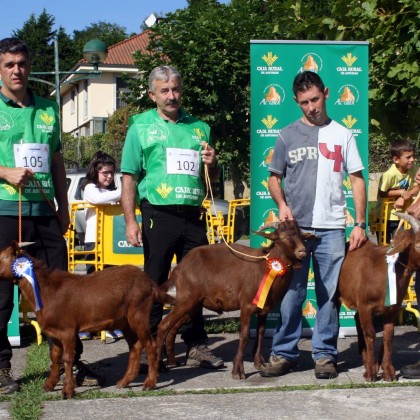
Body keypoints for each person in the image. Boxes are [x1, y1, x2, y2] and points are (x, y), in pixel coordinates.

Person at [0, 37, 97, 392]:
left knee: (62, 289)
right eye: (9, 64)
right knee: (0, 294)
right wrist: (4, 171)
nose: (17, 70)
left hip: (45, 213)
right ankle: (1, 367)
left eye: (22, 63)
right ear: (0, 67)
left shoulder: (48, 108)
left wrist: (64, 207)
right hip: (5, 211)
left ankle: (72, 359)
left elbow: (56, 161)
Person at [260, 71, 367, 379]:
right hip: (294, 233)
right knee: (291, 294)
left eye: (316, 99)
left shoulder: (343, 134)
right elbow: (273, 177)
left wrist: (359, 223)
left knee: (328, 295)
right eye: (304, 102)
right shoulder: (285, 135)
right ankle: (284, 353)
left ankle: (324, 356)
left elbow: (357, 179)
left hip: (333, 228)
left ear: (327, 94)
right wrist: (281, 205)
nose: (311, 107)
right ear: (296, 101)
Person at [121, 65, 224, 369]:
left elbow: (211, 176)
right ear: (152, 94)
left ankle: (196, 345)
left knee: (196, 283)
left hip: (193, 214)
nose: (171, 95)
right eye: (164, 90)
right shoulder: (139, 126)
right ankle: (148, 345)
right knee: (155, 282)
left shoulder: (200, 128)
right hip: (158, 212)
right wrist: (130, 220)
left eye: (175, 89)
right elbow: (128, 176)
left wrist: (214, 163)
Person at [80, 151, 123, 340]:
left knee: (111, 286)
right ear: (95, 171)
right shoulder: (89, 187)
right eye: (105, 172)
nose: (109, 176)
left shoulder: (112, 191)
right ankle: (86, 326)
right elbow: (98, 199)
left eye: (112, 173)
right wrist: (125, 190)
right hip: (94, 241)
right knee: (92, 285)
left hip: (111, 242)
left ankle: (111, 324)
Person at [377, 139, 419, 243]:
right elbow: (382, 193)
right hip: (387, 217)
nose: (412, 160)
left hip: (405, 216)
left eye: (413, 156)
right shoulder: (389, 174)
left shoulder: (413, 169)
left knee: (402, 245)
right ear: (396, 159)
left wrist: (405, 196)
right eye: (408, 157)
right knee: (385, 247)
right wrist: (401, 192)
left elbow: (418, 186)